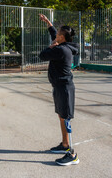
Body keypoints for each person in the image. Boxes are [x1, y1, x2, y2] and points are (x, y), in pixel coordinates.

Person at [39, 14, 79, 166]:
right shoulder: (64, 46)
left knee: (66, 117)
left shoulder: (60, 50)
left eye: (57, 35)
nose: (55, 36)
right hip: (60, 87)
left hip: (64, 88)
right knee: (62, 116)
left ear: (62, 38)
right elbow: (54, 34)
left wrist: (51, 45)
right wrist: (49, 23)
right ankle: (64, 145)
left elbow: (42, 55)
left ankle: (72, 155)